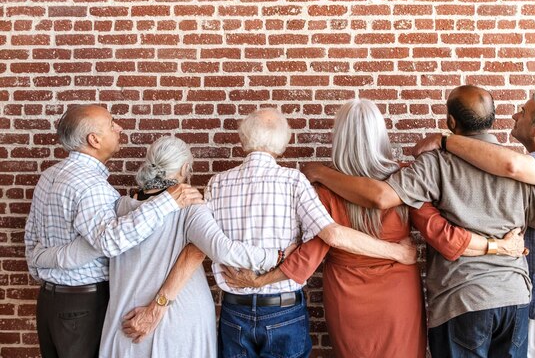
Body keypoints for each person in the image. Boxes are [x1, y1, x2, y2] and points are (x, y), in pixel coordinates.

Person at [301, 86, 535, 358]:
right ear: (492, 121)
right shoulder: (519, 171)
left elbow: (384, 198)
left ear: (451, 121)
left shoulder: (433, 165)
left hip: (461, 298)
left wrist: (321, 173)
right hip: (514, 297)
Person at [223, 99, 526, 358]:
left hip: (346, 295)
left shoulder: (323, 188)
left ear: (338, 138)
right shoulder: (404, 180)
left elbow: (310, 254)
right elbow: (440, 233)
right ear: (380, 135)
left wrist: (261, 280)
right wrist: (496, 245)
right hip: (398, 293)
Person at [30, 136, 286, 357]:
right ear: (185, 167)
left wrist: (42, 256)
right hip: (179, 320)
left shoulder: (119, 206)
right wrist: (275, 255)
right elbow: (223, 250)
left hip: (123, 319)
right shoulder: (190, 207)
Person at [207, 107, 419, 358]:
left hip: (238, 306)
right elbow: (329, 236)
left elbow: (207, 241)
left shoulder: (217, 183)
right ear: (283, 142)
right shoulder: (404, 178)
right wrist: (398, 251)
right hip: (291, 305)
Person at [413, 92, 535, 358]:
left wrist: (445, 141)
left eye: (522, 112)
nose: (514, 115)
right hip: (532, 300)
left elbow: (511, 165)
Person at [24, 105, 203, 358]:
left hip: (48, 302)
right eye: (111, 123)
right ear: (94, 140)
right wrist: (168, 201)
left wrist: (44, 263)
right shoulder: (92, 186)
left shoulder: (49, 176)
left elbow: (31, 237)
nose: (119, 127)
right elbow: (110, 241)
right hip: (83, 308)